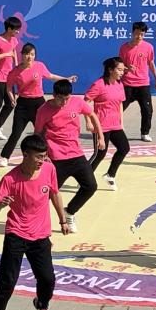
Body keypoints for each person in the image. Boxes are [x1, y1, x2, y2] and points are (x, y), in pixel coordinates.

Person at [0, 134, 68, 310]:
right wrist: (1, 204)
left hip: (41, 235)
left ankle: (42, 305)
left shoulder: (49, 170)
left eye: (44, 156)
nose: (42, 160)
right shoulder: (10, 179)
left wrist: (63, 220)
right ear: (25, 154)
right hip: (16, 234)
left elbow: (55, 194)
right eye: (38, 156)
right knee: (7, 282)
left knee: (47, 279)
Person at [35, 79, 104, 234]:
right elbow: (38, 133)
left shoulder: (77, 102)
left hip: (76, 155)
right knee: (48, 194)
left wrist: (101, 137)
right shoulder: (43, 110)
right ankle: (35, 220)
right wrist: (43, 155)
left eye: (67, 98)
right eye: (61, 98)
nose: (64, 102)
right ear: (54, 95)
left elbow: (92, 114)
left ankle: (70, 212)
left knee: (91, 186)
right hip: (56, 158)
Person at [0, 43, 77, 168]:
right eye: (27, 54)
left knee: (43, 133)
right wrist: (12, 99)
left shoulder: (39, 66)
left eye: (32, 54)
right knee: (16, 133)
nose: (29, 57)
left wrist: (66, 79)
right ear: (22, 55)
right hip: (22, 105)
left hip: (39, 104)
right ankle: (5, 157)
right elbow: (8, 87)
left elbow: (51, 76)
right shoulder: (15, 71)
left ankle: (48, 156)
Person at [86, 57, 129, 190]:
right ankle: (85, 177)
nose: (122, 72)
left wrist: (121, 123)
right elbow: (85, 102)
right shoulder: (99, 84)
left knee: (124, 148)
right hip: (101, 125)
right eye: (119, 70)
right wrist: (88, 121)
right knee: (99, 154)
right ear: (110, 70)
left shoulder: (119, 84)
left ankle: (110, 175)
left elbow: (120, 104)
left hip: (115, 124)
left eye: (123, 70)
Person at [120, 21, 156, 142]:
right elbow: (120, 66)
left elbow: (151, 64)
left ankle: (145, 133)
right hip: (127, 84)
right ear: (132, 32)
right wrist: (127, 68)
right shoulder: (124, 48)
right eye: (137, 34)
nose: (139, 36)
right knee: (118, 109)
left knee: (147, 110)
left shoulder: (149, 47)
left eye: (142, 34)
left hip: (143, 84)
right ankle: (112, 130)